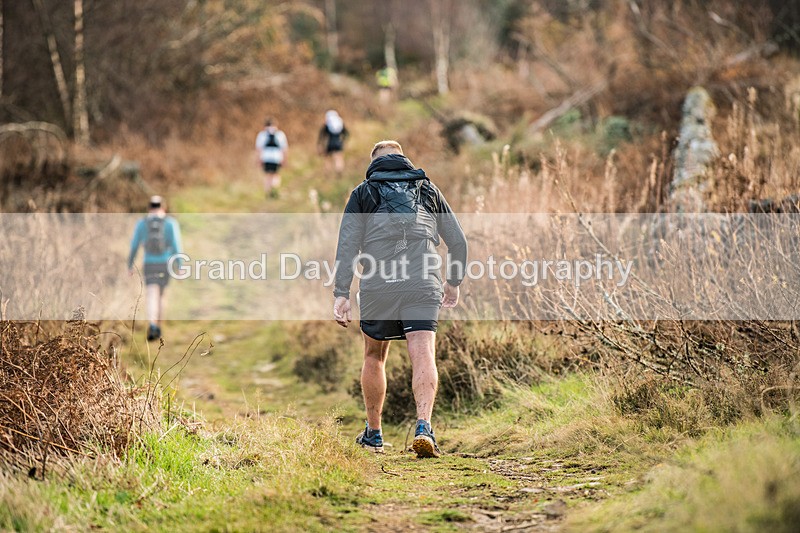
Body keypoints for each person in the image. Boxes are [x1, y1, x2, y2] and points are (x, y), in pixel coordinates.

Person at [333, 140, 467, 458]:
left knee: (374, 356)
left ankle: (374, 433)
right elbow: (458, 241)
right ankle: (424, 427)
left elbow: (347, 246)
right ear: (403, 159)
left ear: (374, 162)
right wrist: (453, 282)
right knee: (422, 353)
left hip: (378, 283)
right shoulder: (426, 188)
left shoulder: (362, 192)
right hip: (422, 280)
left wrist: (341, 293)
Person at [127, 195, 183, 341]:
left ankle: (152, 325)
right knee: (162, 296)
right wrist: (180, 267)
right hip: (165, 264)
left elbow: (134, 246)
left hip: (149, 264)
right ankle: (158, 327)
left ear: (149, 208)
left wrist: (130, 264)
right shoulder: (170, 223)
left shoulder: (142, 223)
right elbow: (177, 246)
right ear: (164, 207)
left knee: (152, 294)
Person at [255, 118, 288, 198]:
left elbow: (259, 149)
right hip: (277, 157)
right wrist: (284, 159)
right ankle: (275, 191)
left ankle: (268, 192)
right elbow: (284, 148)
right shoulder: (280, 134)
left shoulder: (262, 135)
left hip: (266, 157)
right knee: (276, 175)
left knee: (268, 175)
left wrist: (259, 159)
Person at [318, 110, 349, 177]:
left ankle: (327, 173)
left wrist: (320, 145)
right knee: (338, 158)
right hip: (338, 143)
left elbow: (322, 136)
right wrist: (343, 141)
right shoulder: (340, 124)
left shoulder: (327, 125)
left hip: (329, 144)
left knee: (327, 159)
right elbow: (346, 134)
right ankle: (339, 171)